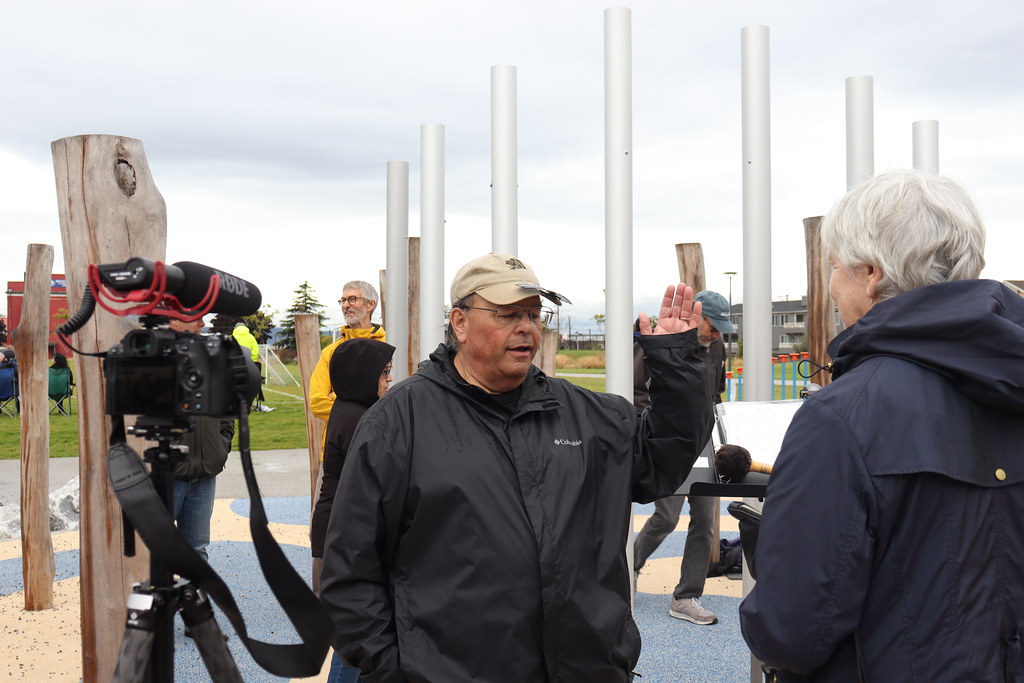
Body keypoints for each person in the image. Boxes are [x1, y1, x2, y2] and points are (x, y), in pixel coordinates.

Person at [319, 253, 713, 682]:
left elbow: (663, 461)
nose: (527, 327)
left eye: (533, 314)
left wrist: (675, 365)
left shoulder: (588, 415)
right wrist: (397, 672)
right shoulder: (398, 423)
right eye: (508, 314)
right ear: (460, 322)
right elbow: (350, 572)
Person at [739, 170, 1024, 680]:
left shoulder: (843, 418)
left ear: (871, 273)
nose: (830, 287)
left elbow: (789, 633)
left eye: (834, 268)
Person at [632, 290, 733, 626]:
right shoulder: (660, 343)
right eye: (714, 325)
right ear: (698, 317)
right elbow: (637, 393)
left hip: (703, 443)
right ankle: (629, 566)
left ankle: (687, 596)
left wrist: (718, 438)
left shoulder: (717, 349)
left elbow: (715, 394)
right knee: (667, 516)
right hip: (668, 442)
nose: (718, 333)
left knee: (705, 521)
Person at [310, 338, 395, 683]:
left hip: (335, 535)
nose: (389, 380)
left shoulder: (348, 410)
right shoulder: (361, 420)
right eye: (384, 373)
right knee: (355, 641)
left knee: (351, 637)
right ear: (364, 377)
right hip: (345, 541)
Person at [167, 317, 235, 563]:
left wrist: (221, 446)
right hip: (164, 477)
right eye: (195, 317)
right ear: (173, 319)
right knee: (151, 551)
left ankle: (194, 601)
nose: (203, 323)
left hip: (204, 474)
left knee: (197, 549)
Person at [308, 281, 387, 425]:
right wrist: (366, 415)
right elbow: (317, 403)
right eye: (343, 300)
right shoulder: (331, 352)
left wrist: (338, 399)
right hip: (341, 438)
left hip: (382, 435)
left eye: (352, 299)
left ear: (370, 304)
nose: (345, 305)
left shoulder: (387, 345)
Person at [232, 321, 268, 412]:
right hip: (249, 364)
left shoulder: (232, 337)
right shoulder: (251, 337)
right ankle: (248, 405)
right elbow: (255, 350)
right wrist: (252, 360)